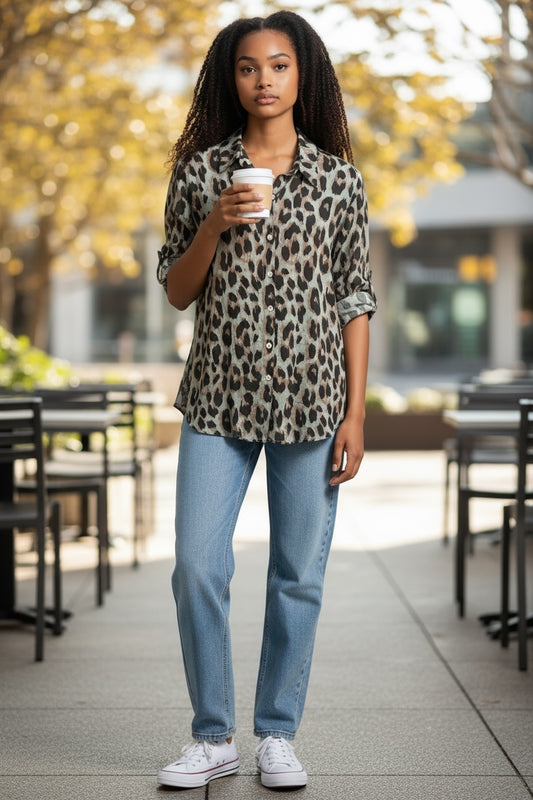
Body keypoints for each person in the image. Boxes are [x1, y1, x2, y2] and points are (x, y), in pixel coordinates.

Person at [156, 10, 376, 791]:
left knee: (295, 575)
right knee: (195, 565)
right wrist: (213, 223)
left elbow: (354, 297)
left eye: (279, 66)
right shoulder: (198, 173)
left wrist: (355, 412)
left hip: (314, 404)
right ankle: (212, 735)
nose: (264, 81)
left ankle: (277, 733)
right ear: (231, 80)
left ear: (301, 75)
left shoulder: (337, 180)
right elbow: (177, 291)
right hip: (217, 398)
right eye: (249, 68)